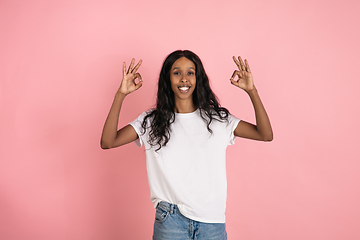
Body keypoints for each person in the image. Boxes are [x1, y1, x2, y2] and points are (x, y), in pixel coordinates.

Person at [100, 50, 273, 240]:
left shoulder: (218, 120)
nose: (184, 79)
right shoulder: (151, 121)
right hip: (170, 220)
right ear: (168, 78)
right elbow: (108, 142)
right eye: (177, 73)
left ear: (198, 78)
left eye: (190, 72)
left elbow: (265, 134)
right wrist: (120, 94)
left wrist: (252, 91)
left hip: (212, 222)